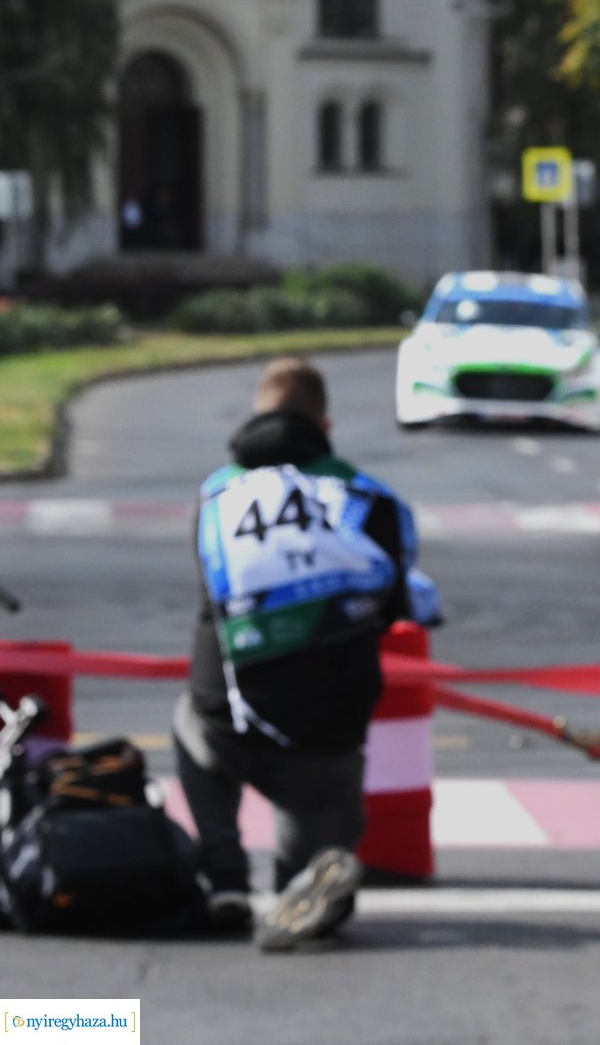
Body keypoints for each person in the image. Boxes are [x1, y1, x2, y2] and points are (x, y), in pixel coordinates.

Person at [174, 357, 417, 951]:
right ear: (324, 425)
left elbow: (214, 595)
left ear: (256, 414)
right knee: (316, 841)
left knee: (188, 721)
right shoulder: (368, 496)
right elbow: (396, 605)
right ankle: (301, 877)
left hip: (225, 713)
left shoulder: (216, 495)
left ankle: (224, 873)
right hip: (326, 727)